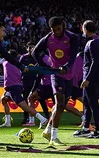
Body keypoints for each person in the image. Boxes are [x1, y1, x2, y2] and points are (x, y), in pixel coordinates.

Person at [31, 17, 80, 146]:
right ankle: (54, 137)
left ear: (63, 26)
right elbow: (35, 52)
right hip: (56, 75)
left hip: (69, 75)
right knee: (58, 104)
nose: (56, 31)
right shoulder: (48, 38)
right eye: (54, 30)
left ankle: (47, 130)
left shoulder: (72, 37)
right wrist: (46, 68)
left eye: (58, 29)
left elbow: (74, 55)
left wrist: (67, 67)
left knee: (62, 106)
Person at [75, 21, 99, 138]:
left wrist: (87, 79)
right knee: (86, 103)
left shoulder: (92, 43)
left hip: (90, 77)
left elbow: (94, 62)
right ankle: (86, 128)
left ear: (85, 29)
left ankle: (98, 130)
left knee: (93, 104)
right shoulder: (98, 40)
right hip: (91, 75)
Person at [0, 54, 40, 127]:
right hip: (18, 86)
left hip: (13, 87)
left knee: (25, 106)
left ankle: (42, 119)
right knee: (3, 99)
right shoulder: (19, 65)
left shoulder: (5, 63)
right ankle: (7, 122)